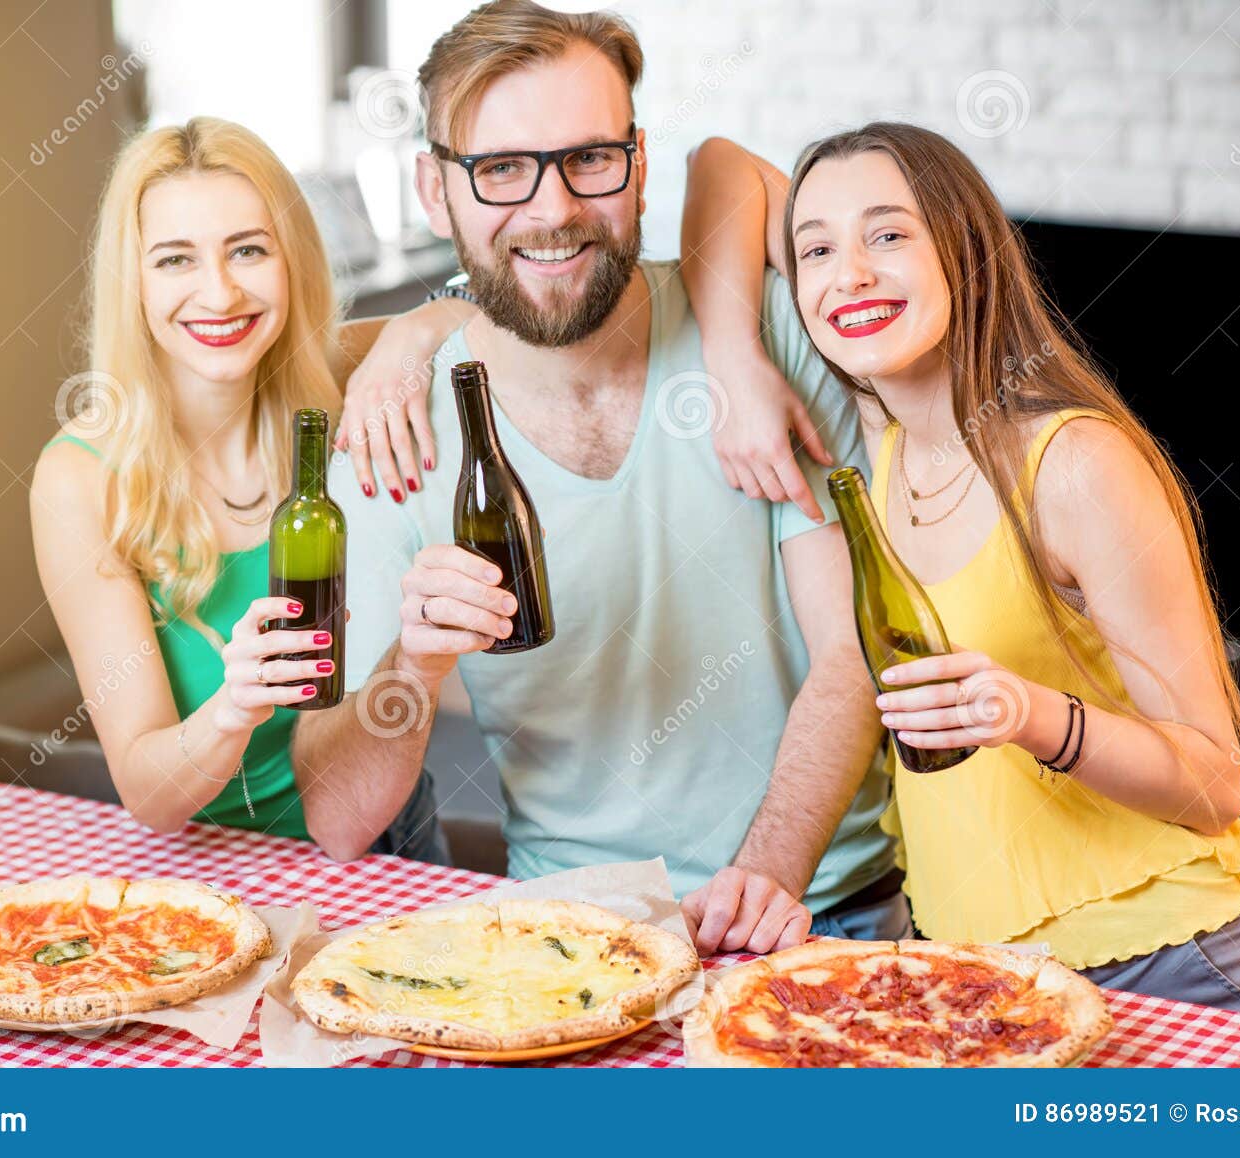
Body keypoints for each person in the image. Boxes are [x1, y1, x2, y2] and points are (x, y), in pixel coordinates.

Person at [291, 0, 904, 957]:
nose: (552, 208)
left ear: (639, 163)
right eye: (500, 169)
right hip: (571, 934)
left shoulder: (761, 337)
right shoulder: (391, 439)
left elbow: (852, 654)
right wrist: (415, 662)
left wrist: (765, 879)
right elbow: (336, 817)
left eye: (589, 158)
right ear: (433, 190)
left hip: (822, 914)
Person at [683, 123, 1240, 1019]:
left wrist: (1029, 714)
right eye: (816, 250)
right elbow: (722, 164)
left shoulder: (1076, 463)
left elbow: (1217, 783)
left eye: (890, 234)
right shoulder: (884, 446)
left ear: (967, 254)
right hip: (987, 977)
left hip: (1171, 961)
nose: (847, 273)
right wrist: (734, 362)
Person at [30, 117, 445, 861]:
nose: (218, 294)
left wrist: (412, 336)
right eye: (175, 260)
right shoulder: (81, 479)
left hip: (391, 839)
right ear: (134, 281)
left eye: (248, 250)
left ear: (292, 261)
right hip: (213, 870)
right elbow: (148, 796)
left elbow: (475, 313)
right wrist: (233, 709)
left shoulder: (339, 380)